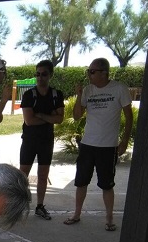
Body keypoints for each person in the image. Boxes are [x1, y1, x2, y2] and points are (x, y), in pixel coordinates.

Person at [64, 58, 133, 231]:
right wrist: (80, 95)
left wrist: (124, 140)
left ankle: (109, 218)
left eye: (92, 71)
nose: (89, 74)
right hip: (88, 144)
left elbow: (129, 117)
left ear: (104, 73)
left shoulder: (119, 89)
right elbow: (78, 115)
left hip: (108, 146)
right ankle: (77, 213)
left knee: (107, 184)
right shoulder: (88, 90)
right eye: (89, 71)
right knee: (81, 182)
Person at [19, 60, 65, 220]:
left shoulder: (56, 94)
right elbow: (29, 121)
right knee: (22, 175)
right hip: (29, 140)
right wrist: (50, 117)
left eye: (44, 74)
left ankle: (40, 206)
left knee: (43, 175)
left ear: (50, 75)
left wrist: (40, 115)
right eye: (37, 74)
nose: (40, 77)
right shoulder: (29, 95)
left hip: (46, 140)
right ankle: (19, 206)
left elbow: (60, 119)